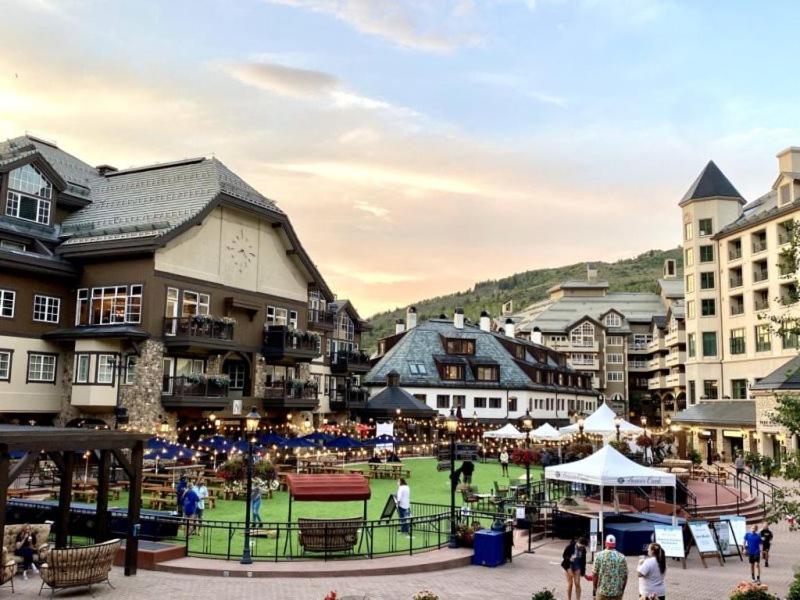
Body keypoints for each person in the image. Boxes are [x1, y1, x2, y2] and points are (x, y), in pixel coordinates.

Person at [593, 534, 628, 600]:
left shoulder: (599, 556)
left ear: (605, 543)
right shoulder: (621, 557)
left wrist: (595, 588)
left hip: (602, 592)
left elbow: (595, 574)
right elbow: (625, 576)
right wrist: (622, 590)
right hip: (617, 592)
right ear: (615, 544)